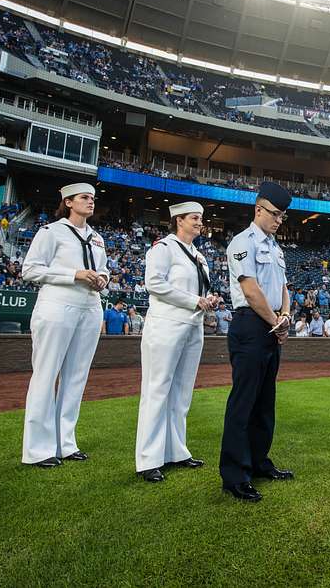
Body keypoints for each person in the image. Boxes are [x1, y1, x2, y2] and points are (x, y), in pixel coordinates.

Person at [20, 182, 108, 468]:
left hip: (90, 306)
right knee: (46, 375)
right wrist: (75, 274)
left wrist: (102, 278)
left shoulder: (97, 238)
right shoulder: (51, 231)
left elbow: (103, 268)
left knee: (76, 377)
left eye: (93, 198)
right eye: (85, 198)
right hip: (57, 305)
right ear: (68, 202)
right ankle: (37, 450)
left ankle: (64, 443)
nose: (91, 202)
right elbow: (30, 270)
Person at [219, 182, 294, 502]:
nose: (279, 220)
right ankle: (235, 475)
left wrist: (286, 315)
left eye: (283, 216)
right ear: (258, 210)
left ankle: (260, 462)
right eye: (275, 214)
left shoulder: (276, 248)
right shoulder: (242, 242)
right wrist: (276, 321)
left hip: (271, 324)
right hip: (251, 325)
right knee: (243, 403)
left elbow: (284, 288)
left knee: (265, 402)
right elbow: (250, 290)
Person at [135, 202, 220, 483]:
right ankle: (148, 459)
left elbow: (198, 290)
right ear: (178, 220)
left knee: (182, 392)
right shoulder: (164, 248)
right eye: (195, 218)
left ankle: (176, 451)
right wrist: (193, 300)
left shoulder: (200, 256)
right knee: (157, 389)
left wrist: (208, 300)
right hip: (166, 324)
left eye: (201, 218)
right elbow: (155, 283)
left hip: (193, 325)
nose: (200, 222)